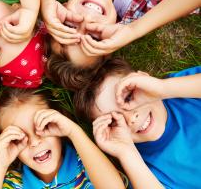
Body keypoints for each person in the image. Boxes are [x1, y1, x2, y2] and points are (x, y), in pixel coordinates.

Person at [73, 57, 201, 188]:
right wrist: (126, 152)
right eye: (114, 121)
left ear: (144, 79)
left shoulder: (182, 90)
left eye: (128, 98)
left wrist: (163, 88)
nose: (131, 119)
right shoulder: (142, 170)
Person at [43, 0, 200, 90]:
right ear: (110, 39)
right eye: (92, 37)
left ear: (61, 9)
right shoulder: (149, 8)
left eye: (69, 26)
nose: (86, 20)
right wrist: (134, 30)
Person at [0, 88, 128, 188]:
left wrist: (74, 132)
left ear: (58, 124)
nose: (35, 142)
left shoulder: (87, 162)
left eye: (43, 127)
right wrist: (0, 165)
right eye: (19, 138)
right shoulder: (15, 183)